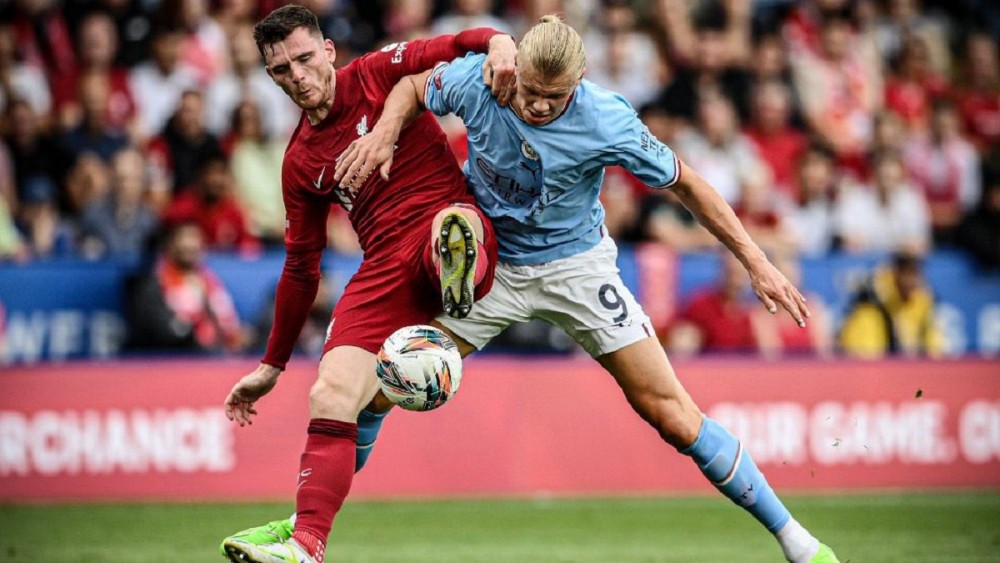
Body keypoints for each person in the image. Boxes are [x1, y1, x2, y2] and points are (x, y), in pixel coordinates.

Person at [244, 14, 837, 563]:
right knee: (377, 392)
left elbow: (688, 185)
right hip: (493, 262)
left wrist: (755, 261)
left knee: (673, 416)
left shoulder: (607, 119)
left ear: (579, 83)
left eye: (555, 98)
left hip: (576, 267)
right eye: (529, 90)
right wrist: (385, 133)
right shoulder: (482, 81)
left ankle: (800, 543)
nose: (536, 104)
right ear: (516, 69)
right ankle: (306, 527)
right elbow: (414, 87)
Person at [218, 5, 516, 563]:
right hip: (383, 266)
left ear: (328, 50)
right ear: (271, 76)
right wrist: (272, 364)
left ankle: (459, 268)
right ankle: (306, 545)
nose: (297, 76)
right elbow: (301, 267)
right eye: (281, 70)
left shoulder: (377, 73)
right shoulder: (300, 161)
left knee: (453, 226)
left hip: (441, 216)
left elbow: (448, 45)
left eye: (305, 58)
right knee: (330, 394)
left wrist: (498, 40)